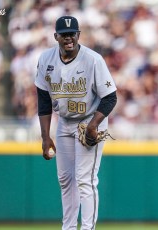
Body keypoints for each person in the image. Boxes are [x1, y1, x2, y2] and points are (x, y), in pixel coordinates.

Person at [34, 16, 117, 230]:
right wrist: (45, 136)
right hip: (64, 121)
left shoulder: (93, 59)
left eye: (73, 33)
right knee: (65, 179)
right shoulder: (46, 59)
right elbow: (43, 101)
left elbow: (110, 97)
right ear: (56, 37)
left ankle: (88, 228)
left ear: (79, 35)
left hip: (90, 120)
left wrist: (93, 125)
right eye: (64, 34)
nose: (69, 38)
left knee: (85, 179)